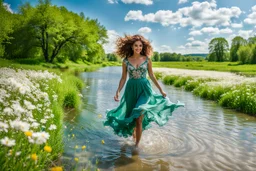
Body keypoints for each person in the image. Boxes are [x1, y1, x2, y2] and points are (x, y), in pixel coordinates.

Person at [104, 34, 184, 147]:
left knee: (139, 115)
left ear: (143, 47)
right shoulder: (126, 61)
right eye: (136, 45)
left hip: (144, 89)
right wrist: (118, 91)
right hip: (130, 89)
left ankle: (136, 147)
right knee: (132, 116)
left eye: (140, 46)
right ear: (132, 47)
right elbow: (123, 78)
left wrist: (161, 90)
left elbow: (151, 75)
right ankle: (134, 137)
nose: (138, 48)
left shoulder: (147, 60)